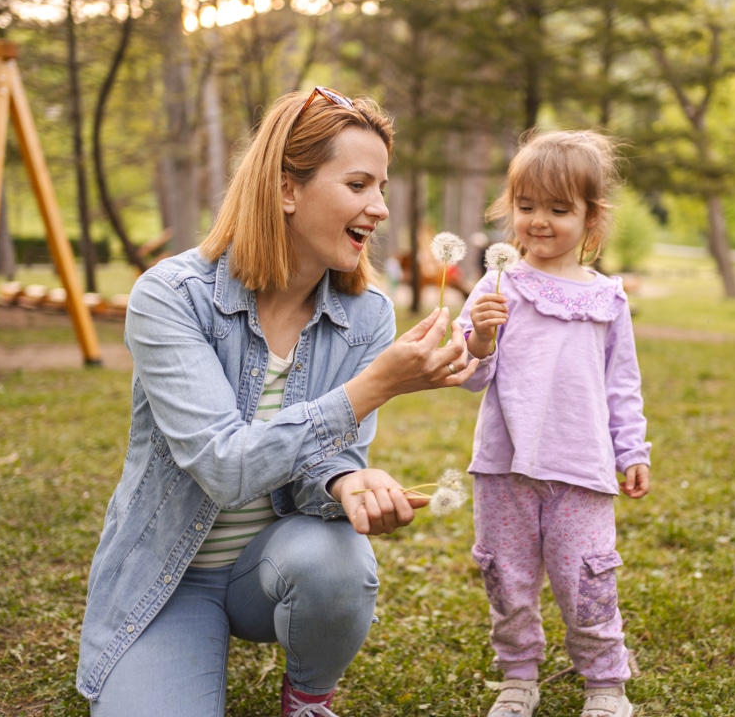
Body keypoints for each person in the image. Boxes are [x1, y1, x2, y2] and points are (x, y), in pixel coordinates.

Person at [76, 86, 477, 717]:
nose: (379, 209)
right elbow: (224, 467)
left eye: (382, 188)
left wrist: (349, 484)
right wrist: (375, 384)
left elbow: (326, 464)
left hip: (272, 568)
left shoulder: (365, 314)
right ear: (287, 189)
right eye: (358, 185)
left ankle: (308, 698)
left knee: (336, 556)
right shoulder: (172, 296)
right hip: (166, 581)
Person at [457, 130, 651, 717]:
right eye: (526, 207)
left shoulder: (608, 300)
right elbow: (467, 373)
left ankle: (604, 681)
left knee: (587, 579)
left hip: (581, 468)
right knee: (507, 578)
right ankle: (518, 676)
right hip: (503, 468)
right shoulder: (496, 286)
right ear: (509, 209)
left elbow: (622, 384)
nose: (539, 221)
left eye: (559, 209)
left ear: (592, 217)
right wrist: (482, 336)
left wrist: (632, 450)